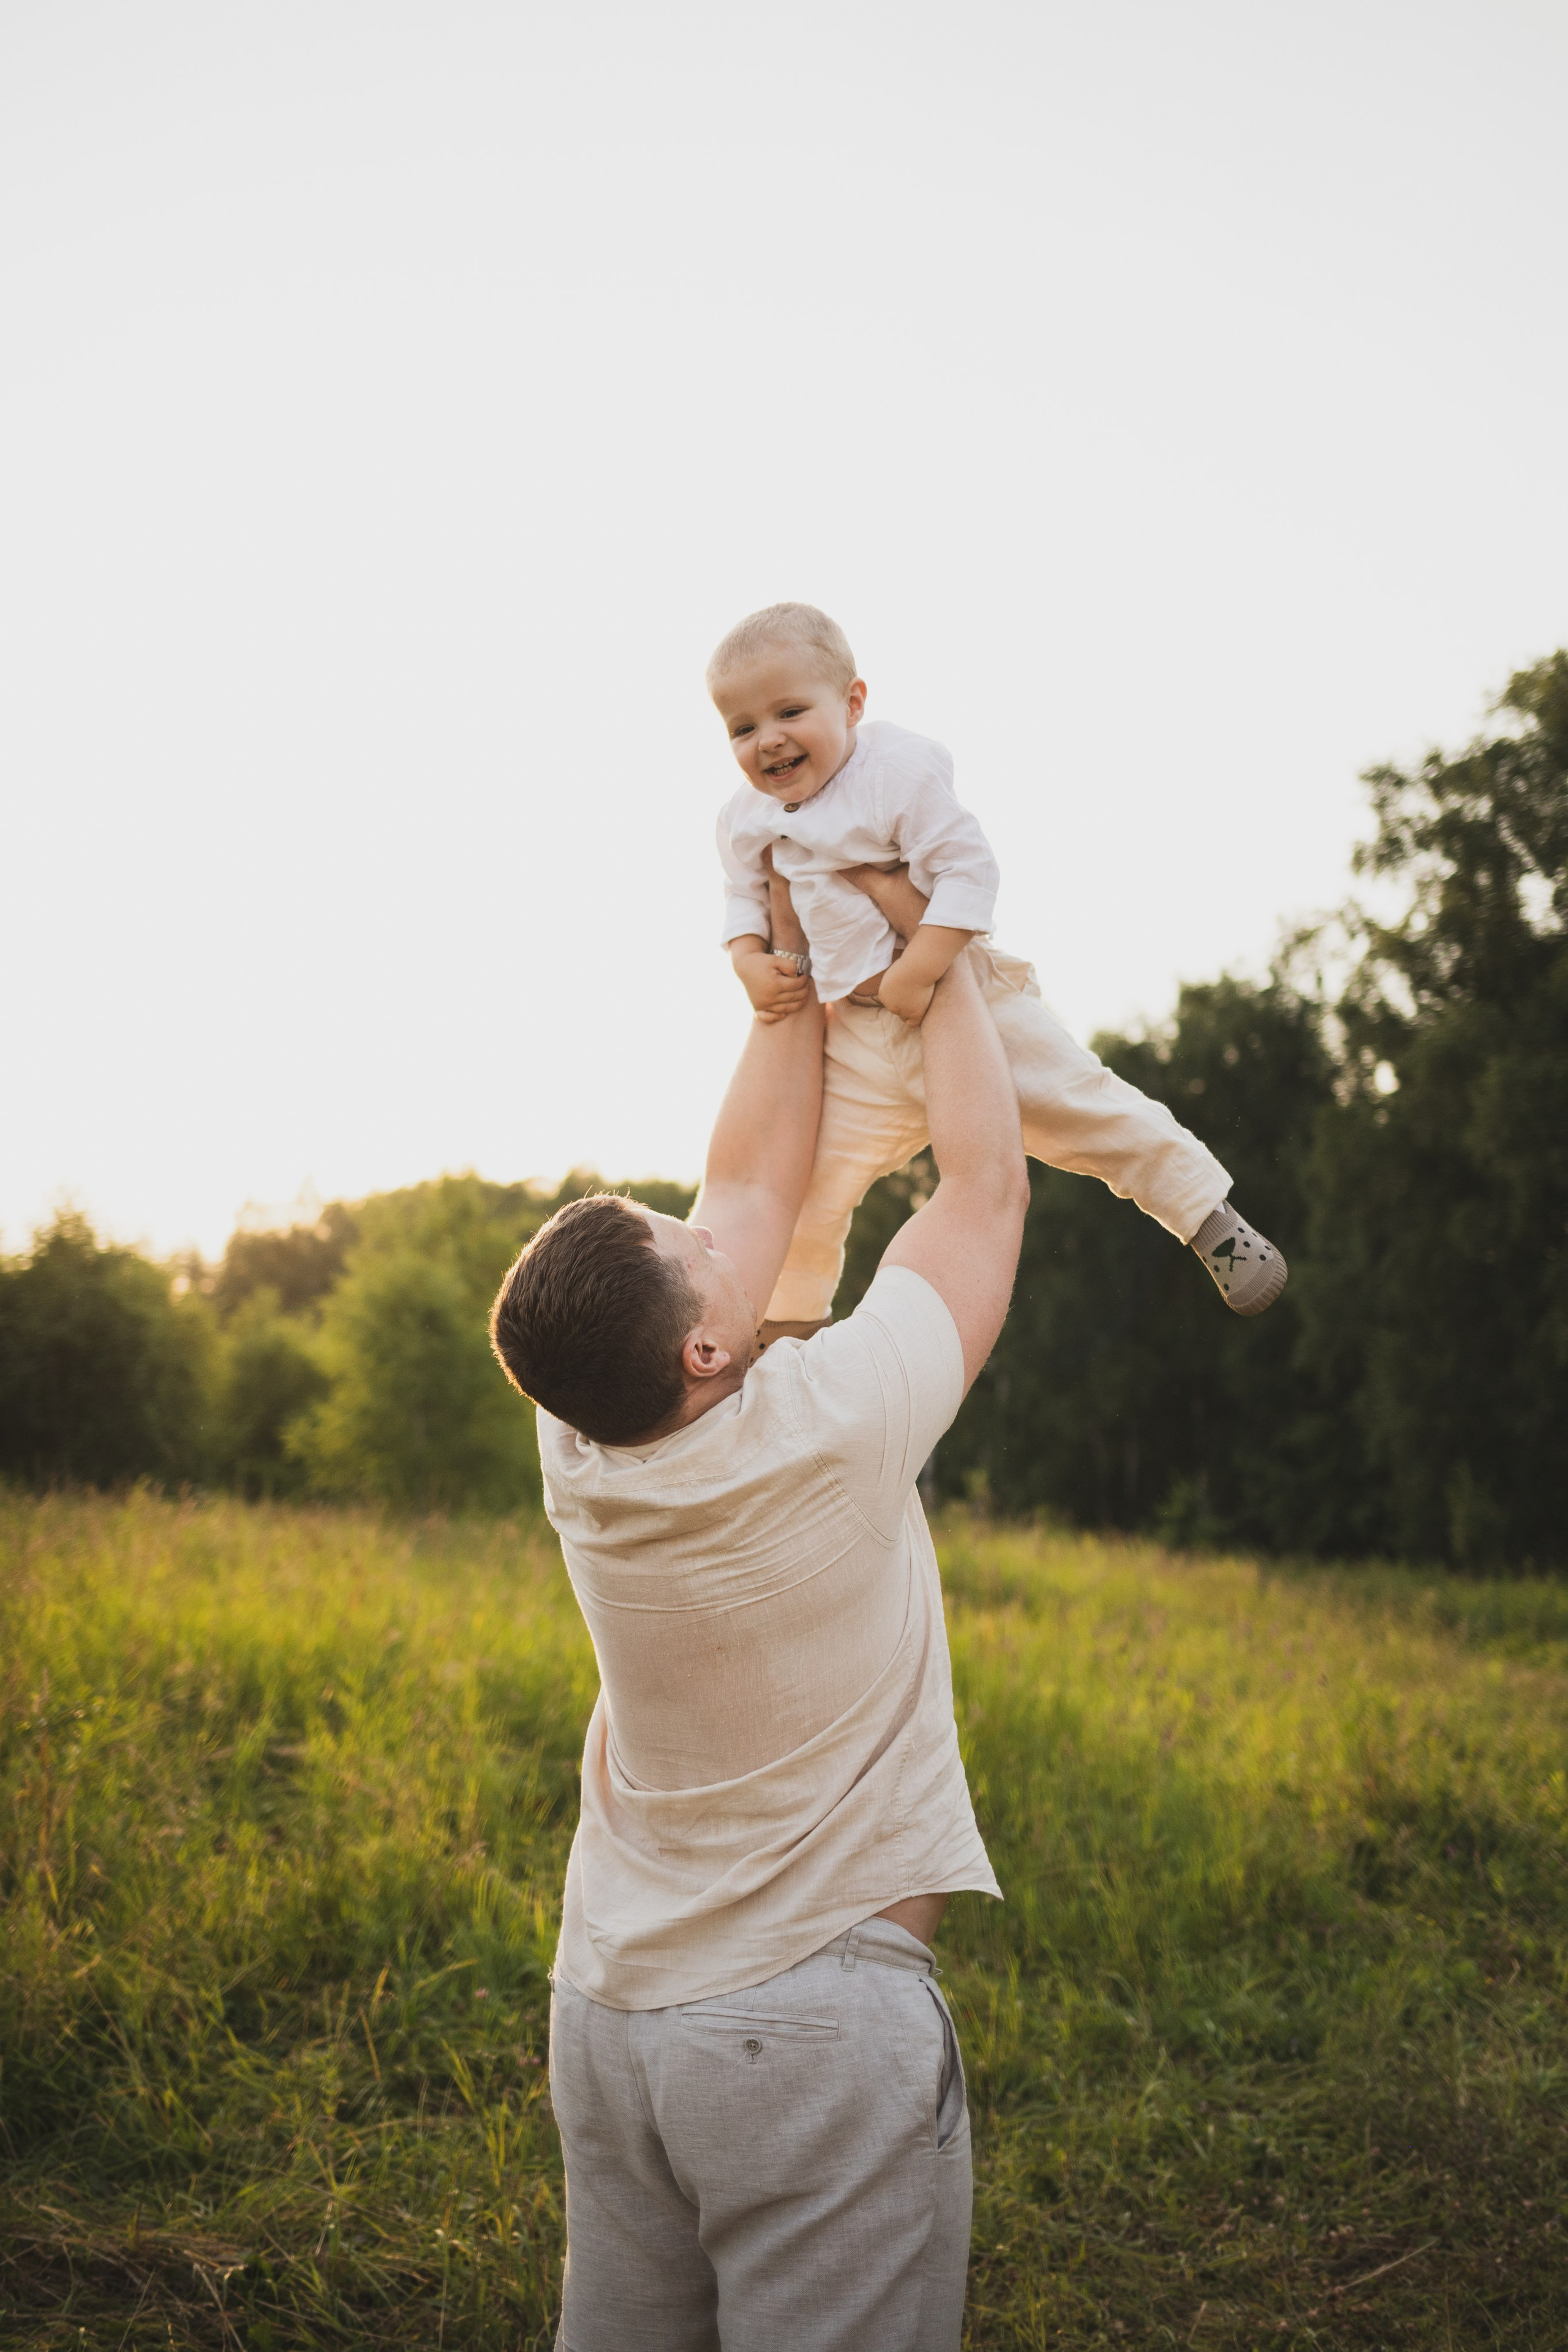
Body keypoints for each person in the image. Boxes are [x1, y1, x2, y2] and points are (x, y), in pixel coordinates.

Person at [489, 864, 1029, 2351]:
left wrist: (785, 972)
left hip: (607, 2012)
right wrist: (945, 957)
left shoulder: (579, 1440)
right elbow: (983, 1191)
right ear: (709, 1346)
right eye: (696, 1258)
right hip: (804, 2029)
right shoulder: (838, 1416)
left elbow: (745, 1191)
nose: (714, 1231)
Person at [710, 600, 1287, 1337]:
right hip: (855, 1033)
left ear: (853, 703)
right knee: (810, 1184)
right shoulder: (745, 817)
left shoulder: (896, 772)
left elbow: (967, 874)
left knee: (1082, 1104)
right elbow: (742, 897)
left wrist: (920, 969)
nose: (769, 741)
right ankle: (790, 1324)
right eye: (742, 727)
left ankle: (1209, 1219)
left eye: (790, 711)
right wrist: (746, 959)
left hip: (961, 999)